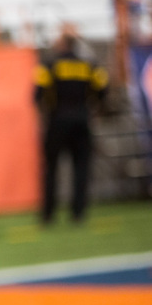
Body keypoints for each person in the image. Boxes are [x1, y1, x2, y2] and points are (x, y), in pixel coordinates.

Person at [34, 24, 109, 225]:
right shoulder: (89, 64)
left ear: (61, 43)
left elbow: (37, 93)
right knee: (81, 167)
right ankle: (78, 213)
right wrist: (96, 108)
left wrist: (44, 113)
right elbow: (103, 87)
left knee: (51, 169)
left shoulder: (49, 63)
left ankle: (48, 215)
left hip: (57, 119)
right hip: (82, 119)